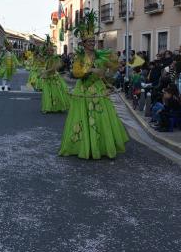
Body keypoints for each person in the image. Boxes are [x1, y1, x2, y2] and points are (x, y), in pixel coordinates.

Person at [59, 11, 129, 159]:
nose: (92, 43)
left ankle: (101, 146)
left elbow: (111, 69)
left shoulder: (100, 56)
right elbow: (76, 73)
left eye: (93, 41)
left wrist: (110, 72)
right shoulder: (79, 57)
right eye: (89, 41)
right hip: (83, 90)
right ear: (83, 43)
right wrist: (91, 69)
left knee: (101, 117)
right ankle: (84, 146)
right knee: (82, 118)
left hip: (98, 89)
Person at [40, 37, 70, 113]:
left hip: (54, 78)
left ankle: (58, 107)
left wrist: (45, 71)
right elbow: (43, 64)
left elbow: (55, 68)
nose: (49, 52)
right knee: (47, 93)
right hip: (47, 78)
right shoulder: (47, 58)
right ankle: (47, 108)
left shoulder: (55, 58)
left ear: (52, 51)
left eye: (50, 50)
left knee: (56, 93)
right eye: (47, 51)